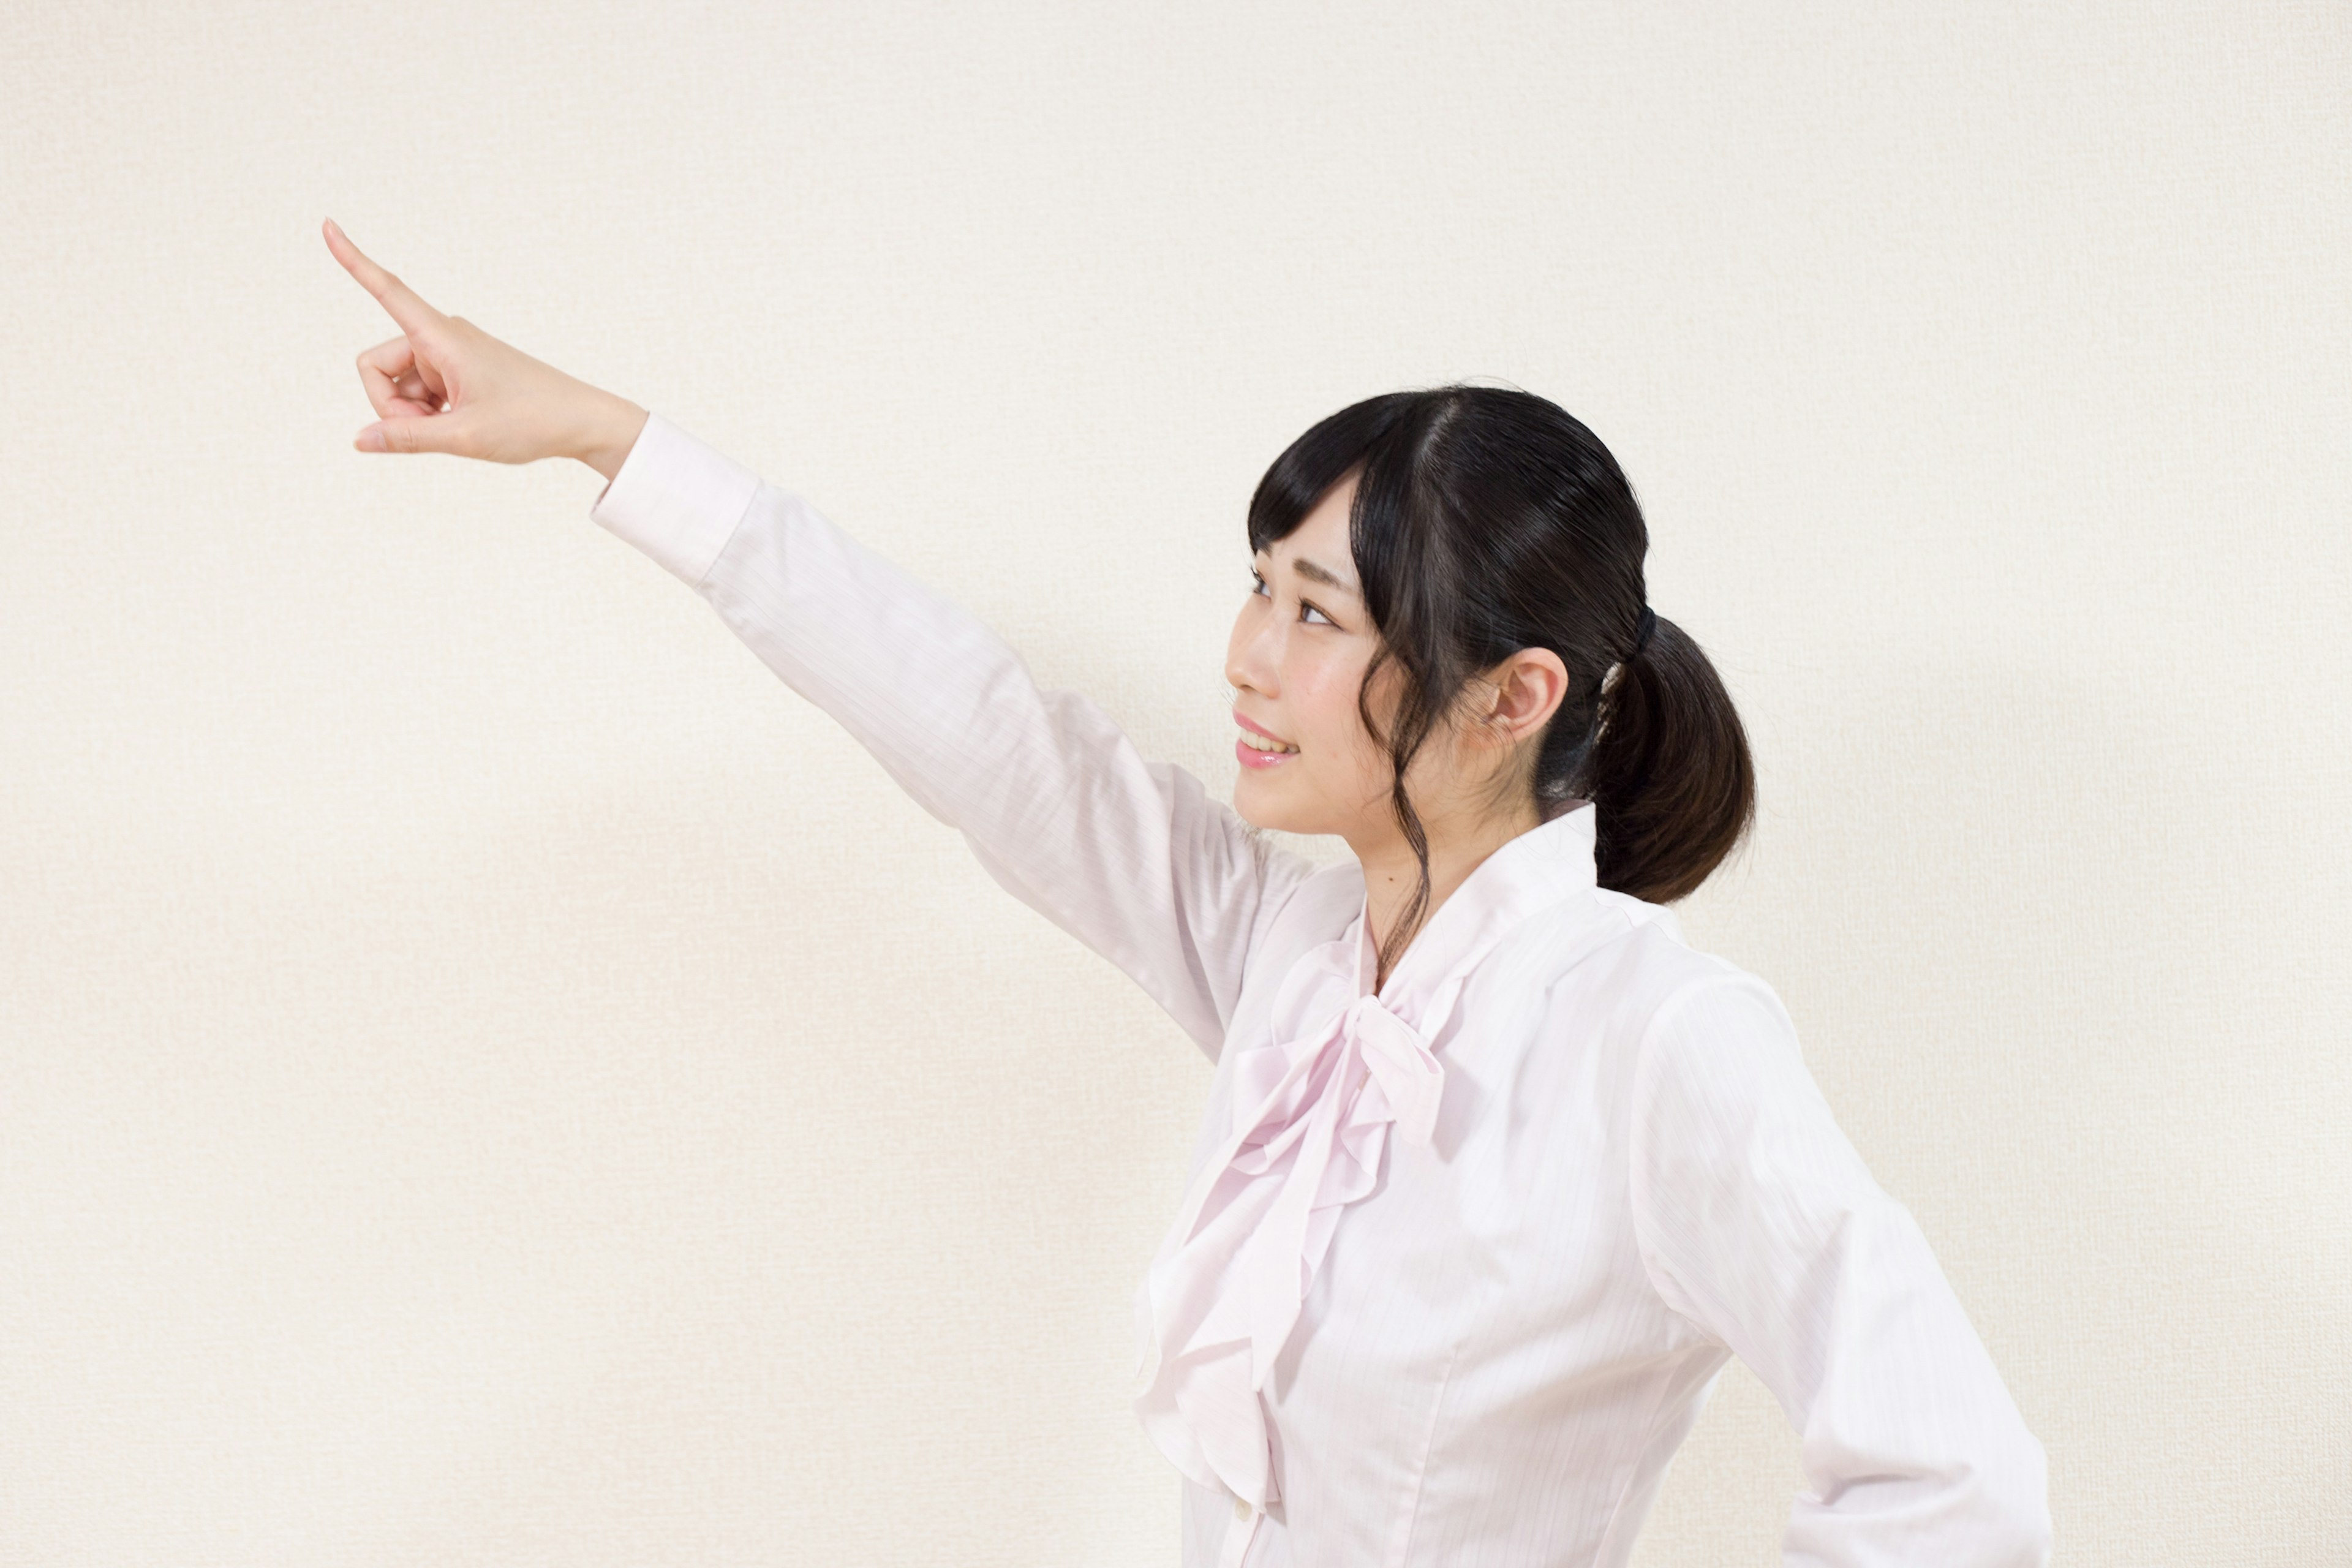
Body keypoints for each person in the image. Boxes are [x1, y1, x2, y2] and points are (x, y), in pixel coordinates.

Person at [326, 216, 2052, 1567]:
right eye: (1258, 589)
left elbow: (1951, 1482)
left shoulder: (1658, 1037)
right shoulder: (1292, 955)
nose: (1246, 658)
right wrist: (608, 441)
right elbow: (994, 741)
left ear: (1512, 695)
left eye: (1316, 615)